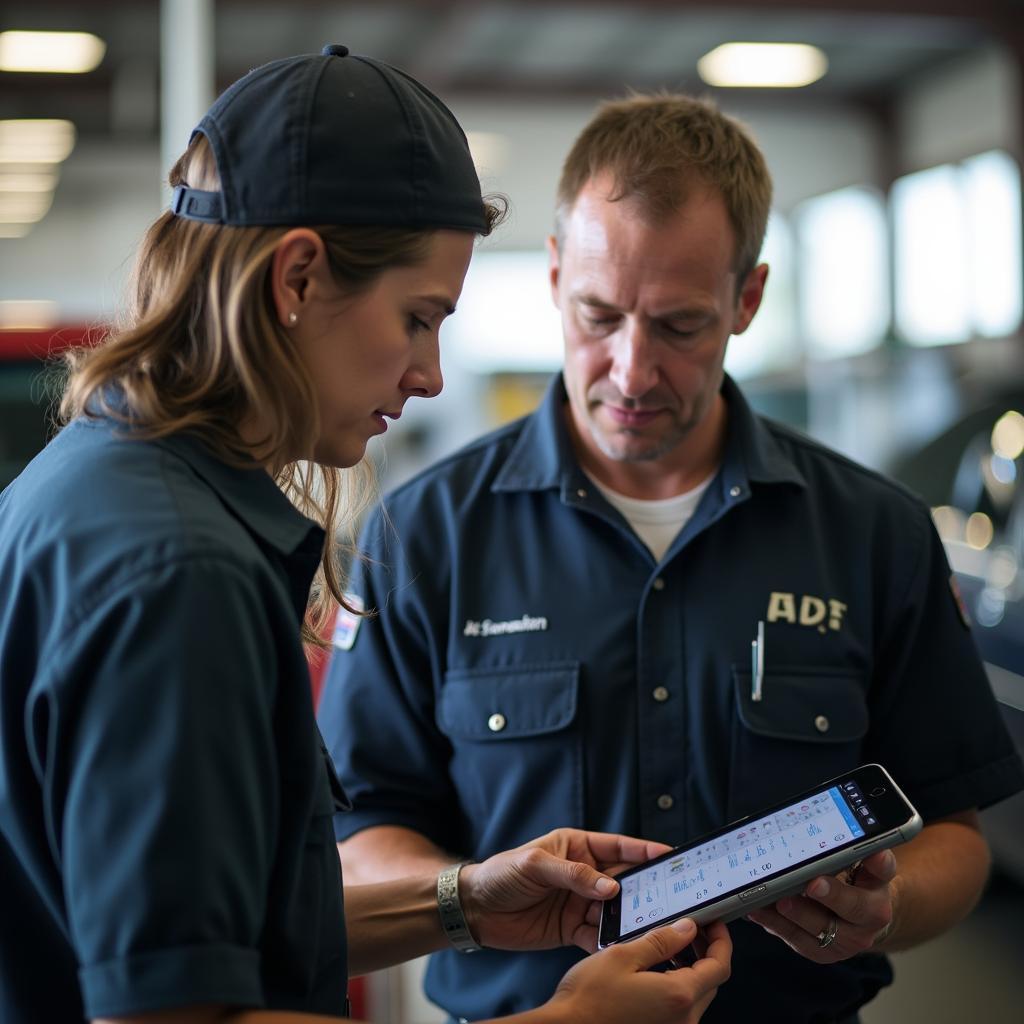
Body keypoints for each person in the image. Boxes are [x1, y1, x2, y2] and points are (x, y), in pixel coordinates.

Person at [0, 50, 734, 1024]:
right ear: (298, 275)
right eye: (418, 318)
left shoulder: (87, 483)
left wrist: (464, 901)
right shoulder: (179, 572)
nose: (430, 374)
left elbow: (202, 933)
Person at [318, 92, 1024, 1024]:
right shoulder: (424, 535)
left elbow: (956, 835)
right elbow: (362, 828)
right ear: (555, 273)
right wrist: (479, 895)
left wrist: (884, 905)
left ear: (749, 297)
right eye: (599, 315)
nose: (631, 370)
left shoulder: (872, 534)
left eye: (680, 325)